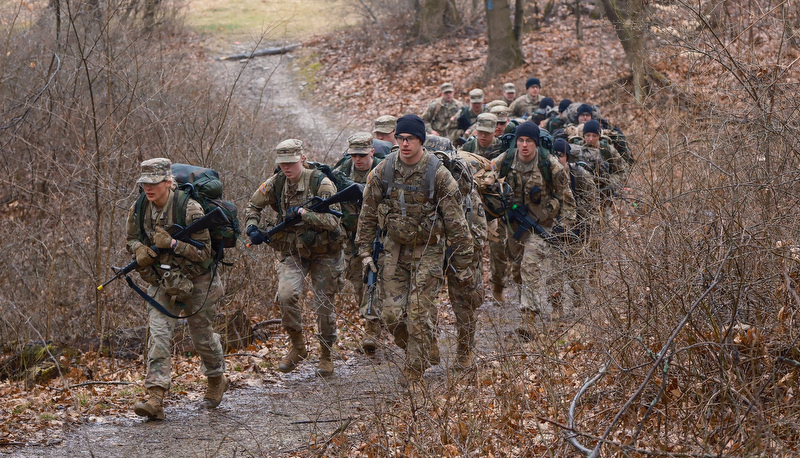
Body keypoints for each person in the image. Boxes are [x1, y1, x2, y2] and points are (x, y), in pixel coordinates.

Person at [355, 114, 474, 386]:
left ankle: (414, 368)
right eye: (400, 138)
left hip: (429, 249)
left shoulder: (438, 174)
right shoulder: (384, 171)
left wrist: (465, 262)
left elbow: (456, 222)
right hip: (393, 249)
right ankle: (423, 346)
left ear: (421, 140)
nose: (405, 143)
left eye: (410, 138)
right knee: (391, 315)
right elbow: (368, 213)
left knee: (419, 312)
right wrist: (364, 252)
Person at [127, 158, 227, 420]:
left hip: (198, 280)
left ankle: (216, 379)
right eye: (145, 183)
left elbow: (205, 252)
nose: (149, 188)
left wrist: (173, 244)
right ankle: (155, 397)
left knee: (202, 338)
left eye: (154, 183)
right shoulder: (139, 207)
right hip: (163, 280)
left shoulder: (190, 208)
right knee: (158, 335)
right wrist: (140, 250)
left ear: (168, 182)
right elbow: (131, 238)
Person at [245, 139, 345, 377]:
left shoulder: (321, 183)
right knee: (287, 295)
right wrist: (252, 228)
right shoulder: (276, 183)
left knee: (324, 305)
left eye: (291, 162)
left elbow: (334, 221)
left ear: (302, 158)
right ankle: (298, 347)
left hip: (324, 252)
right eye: (282, 163)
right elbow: (252, 205)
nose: (287, 168)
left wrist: (303, 213)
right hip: (293, 251)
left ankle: (326, 354)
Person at [491, 122, 576, 333]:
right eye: (520, 140)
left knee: (530, 265)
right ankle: (528, 300)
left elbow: (568, 201)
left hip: (542, 226)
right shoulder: (506, 160)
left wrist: (562, 228)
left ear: (536, 143)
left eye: (529, 141)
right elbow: (486, 175)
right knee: (518, 270)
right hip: (513, 226)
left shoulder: (550, 165)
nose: (524, 145)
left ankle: (528, 320)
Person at [333, 133, 384, 353]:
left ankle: (372, 329)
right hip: (352, 237)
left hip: (379, 237)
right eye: (353, 155)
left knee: (374, 281)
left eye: (362, 155)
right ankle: (371, 321)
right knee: (358, 282)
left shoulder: (384, 170)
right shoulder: (341, 172)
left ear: (371, 152)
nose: (358, 160)